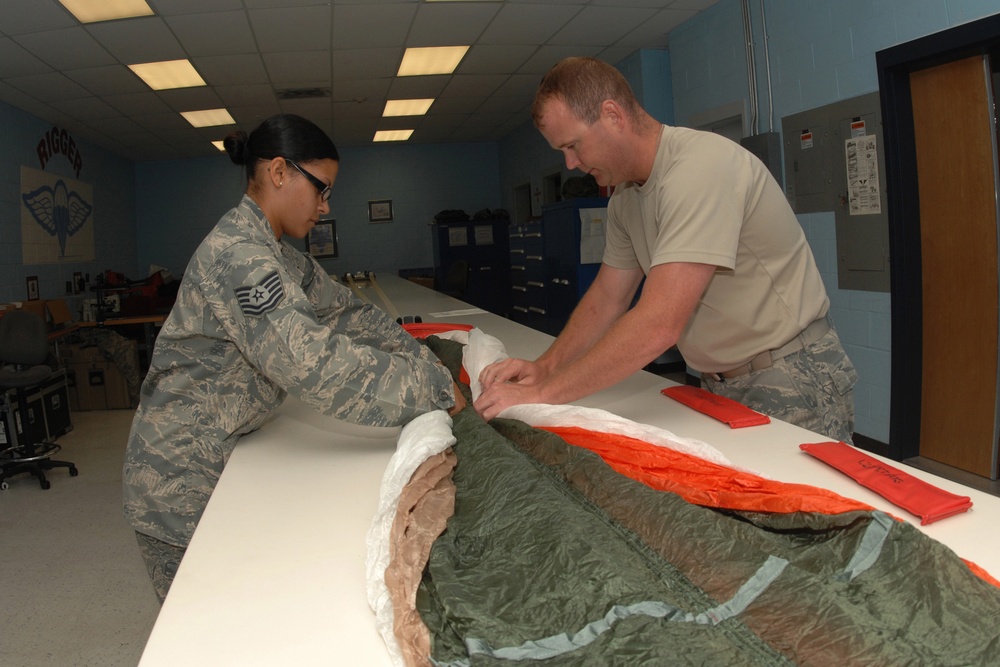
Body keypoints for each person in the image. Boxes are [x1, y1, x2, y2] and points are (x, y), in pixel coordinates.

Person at [123, 114, 465, 603]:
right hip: (179, 480)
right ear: (280, 172)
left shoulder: (278, 255)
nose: (325, 207)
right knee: (207, 629)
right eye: (321, 189)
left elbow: (347, 315)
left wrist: (422, 359)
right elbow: (314, 364)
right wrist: (431, 391)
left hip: (223, 456)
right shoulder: (239, 256)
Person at [474, 57, 857, 443]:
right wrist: (546, 368)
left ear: (612, 115)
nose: (571, 163)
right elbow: (607, 298)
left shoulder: (699, 168)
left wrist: (540, 396)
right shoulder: (625, 198)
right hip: (716, 383)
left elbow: (658, 323)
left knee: (816, 503)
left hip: (790, 373)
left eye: (573, 145)